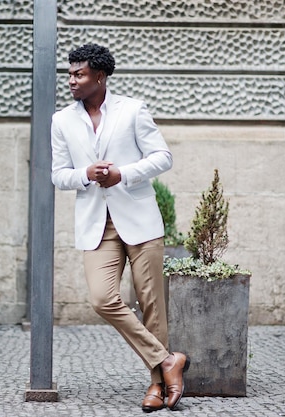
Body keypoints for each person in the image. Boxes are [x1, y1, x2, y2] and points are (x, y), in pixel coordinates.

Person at [50, 43, 190, 412]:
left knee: (151, 305)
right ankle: (167, 359)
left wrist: (122, 174)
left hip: (139, 220)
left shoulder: (132, 110)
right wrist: (84, 175)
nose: (72, 80)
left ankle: (157, 387)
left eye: (79, 74)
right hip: (97, 225)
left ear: (100, 76)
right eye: (70, 74)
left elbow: (163, 157)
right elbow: (58, 174)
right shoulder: (62, 120)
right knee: (102, 298)